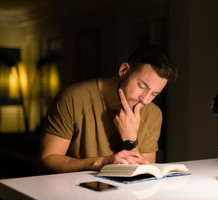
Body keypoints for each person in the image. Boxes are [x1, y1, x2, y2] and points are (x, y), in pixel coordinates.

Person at [38, 45, 177, 173]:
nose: (145, 100)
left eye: (154, 94)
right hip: (75, 193)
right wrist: (101, 162)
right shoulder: (72, 98)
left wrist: (130, 139)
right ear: (124, 70)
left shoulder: (153, 113)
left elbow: (145, 174)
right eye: (142, 86)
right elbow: (47, 159)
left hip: (126, 197)